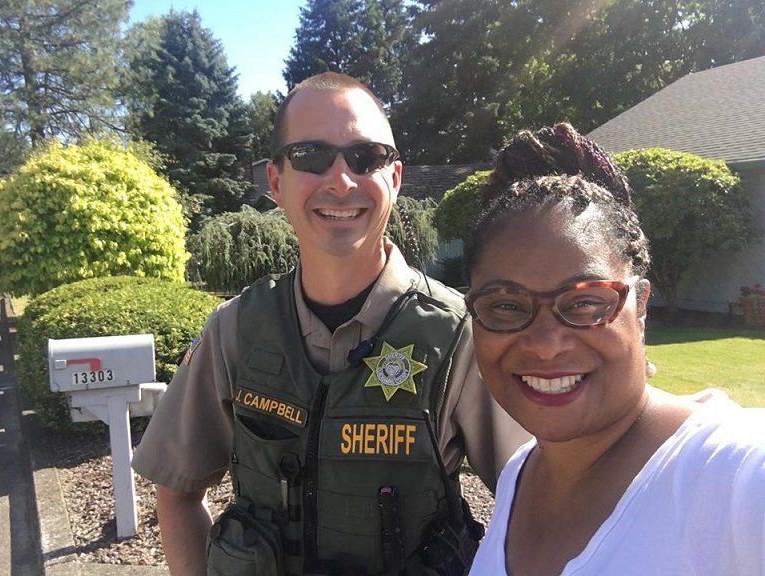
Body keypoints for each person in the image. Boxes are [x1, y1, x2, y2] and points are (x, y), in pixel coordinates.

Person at [132, 71, 529, 576]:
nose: (341, 180)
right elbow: (177, 491)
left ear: (395, 178)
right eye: (311, 156)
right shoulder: (234, 330)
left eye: (365, 157)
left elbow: (540, 501)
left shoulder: (459, 337)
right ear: (275, 181)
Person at [464, 123, 765, 575]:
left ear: (640, 305)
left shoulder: (731, 472)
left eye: (585, 302)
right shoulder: (520, 474)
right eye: (506, 305)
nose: (546, 346)